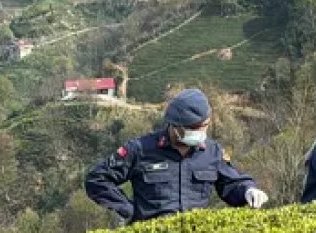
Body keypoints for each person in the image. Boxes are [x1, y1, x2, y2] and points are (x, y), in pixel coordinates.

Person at [85, 88, 268, 223]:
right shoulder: (140, 149)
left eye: (204, 126)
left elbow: (232, 183)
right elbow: (97, 180)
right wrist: (129, 210)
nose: (200, 132)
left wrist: (248, 190)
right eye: (192, 128)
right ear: (175, 126)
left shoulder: (212, 152)